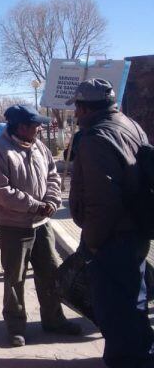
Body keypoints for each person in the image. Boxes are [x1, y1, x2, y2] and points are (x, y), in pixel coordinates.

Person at [67, 78, 152, 367]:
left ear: (85, 108)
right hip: (134, 232)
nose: (75, 115)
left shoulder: (96, 139)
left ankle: (129, 360)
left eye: (77, 108)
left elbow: (102, 202)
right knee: (133, 301)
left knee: (116, 310)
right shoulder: (129, 125)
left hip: (113, 238)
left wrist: (91, 244)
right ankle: (140, 353)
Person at [0, 104, 81, 347]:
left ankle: (54, 319)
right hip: (13, 226)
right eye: (35, 124)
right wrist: (35, 205)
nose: (39, 128)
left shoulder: (40, 147)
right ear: (20, 127)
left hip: (42, 222)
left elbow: (53, 176)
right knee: (14, 279)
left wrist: (51, 200)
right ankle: (15, 327)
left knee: (50, 273)